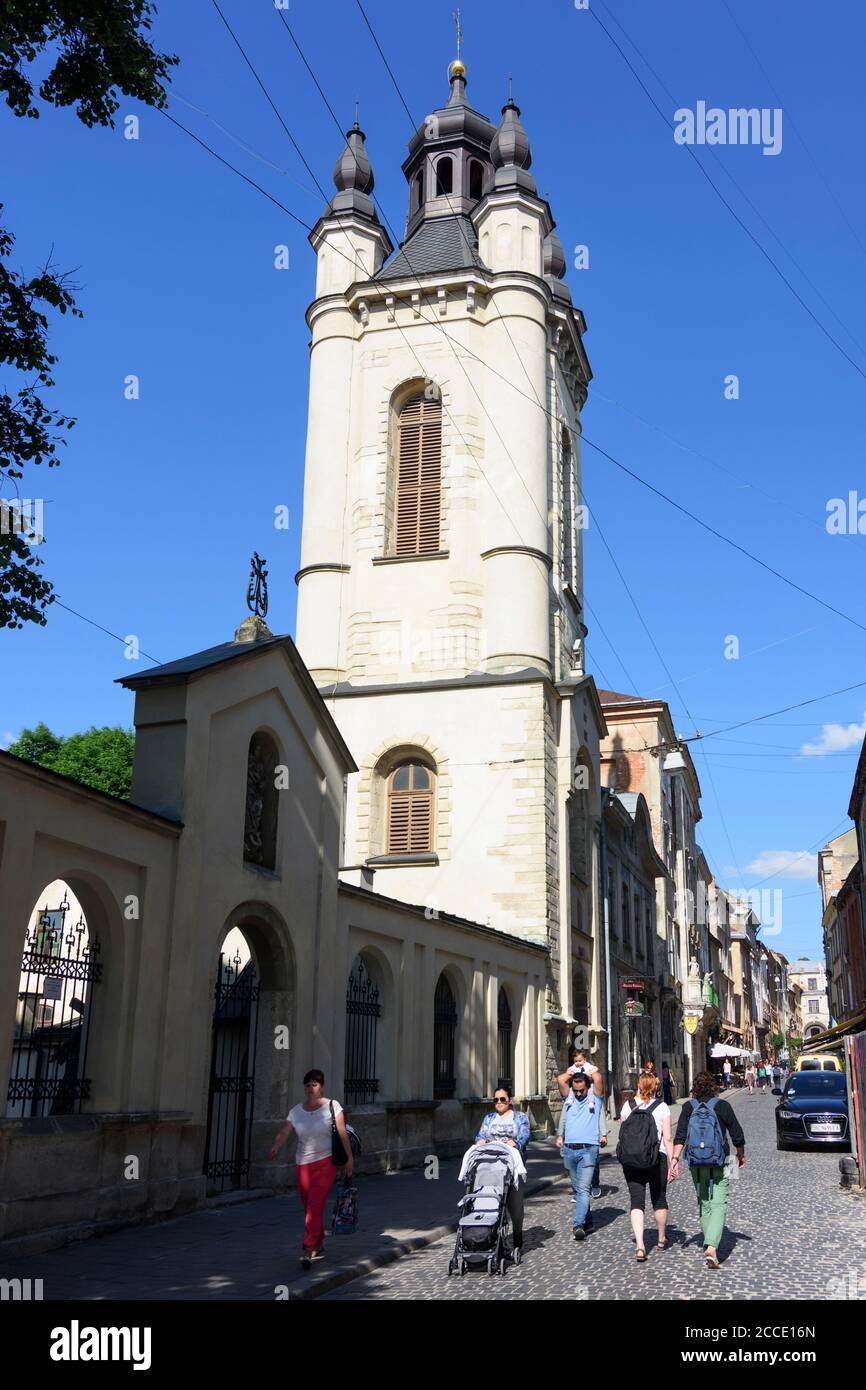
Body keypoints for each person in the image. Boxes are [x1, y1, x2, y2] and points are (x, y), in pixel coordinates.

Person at [269, 1068, 354, 1269]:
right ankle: (319, 1240)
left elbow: (342, 1134)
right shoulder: (296, 1111)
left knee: (314, 1206)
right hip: (303, 1164)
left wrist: (349, 1159)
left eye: (314, 1085)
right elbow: (285, 1131)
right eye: (307, 1085)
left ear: (321, 1086)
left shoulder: (333, 1107)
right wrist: (276, 1145)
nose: (310, 1089)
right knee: (309, 1206)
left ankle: (308, 1249)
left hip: (326, 1163)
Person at [669, 1070, 745, 1270]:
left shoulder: (687, 1107)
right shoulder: (723, 1106)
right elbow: (737, 1133)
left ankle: (708, 1239)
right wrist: (740, 1154)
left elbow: (680, 1136)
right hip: (722, 1160)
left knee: (703, 1200)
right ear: (713, 1087)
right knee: (720, 1201)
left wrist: (675, 1159)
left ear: (694, 1087)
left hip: (695, 1160)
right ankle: (712, 1246)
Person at [618, 1072, 675, 1261]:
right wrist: (672, 1162)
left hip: (632, 1159)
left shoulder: (628, 1106)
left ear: (639, 1085)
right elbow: (667, 1137)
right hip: (656, 1158)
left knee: (636, 1201)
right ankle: (660, 1239)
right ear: (656, 1087)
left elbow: (623, 1131)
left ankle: (641, 1246)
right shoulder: (663, 1107)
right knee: (659, 1198)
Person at [475, 1085, 531, 1249]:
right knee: (488, 1199)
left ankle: (518, 1234)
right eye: (496, 1100)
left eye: (502, 1099)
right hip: (490, 1164)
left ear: (510, 1100)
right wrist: (480, 1141)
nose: (498, 1103)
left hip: (512, 1164)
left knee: (515, 1205)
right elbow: (481, 1135)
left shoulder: (520, 1118)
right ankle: (488, 1233)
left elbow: (525, 1135)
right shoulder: (489, 1118)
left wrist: (516, 1142)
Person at [556, 1068, 604, 1241]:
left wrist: (586, 1068)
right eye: (575, 1090)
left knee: (583, 1189)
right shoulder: (569, 1097)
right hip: (569, 1149)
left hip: (588, 1150)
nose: (577, 1094)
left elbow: (598, 1078)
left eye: (581, 1090)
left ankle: (578, 1224)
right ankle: (588, 1220)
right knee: (577, 1190)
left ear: (588, 1087)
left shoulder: (595, 1098)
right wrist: (573, 1071)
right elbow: (561, 1080)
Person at [557, 1047, 605, 1197]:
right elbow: (564, 1116)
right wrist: (560, 1135)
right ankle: (581, 1192)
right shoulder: (571, 1097)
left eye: (580, 1060)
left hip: (591, 1138)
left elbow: (600, 1116)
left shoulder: (593, 1094)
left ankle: (593, 1185)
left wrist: (603, 1133)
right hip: (574, 1140)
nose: (578, 1063)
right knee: (578, 1170)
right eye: (576, 1061)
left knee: (593, 1162)